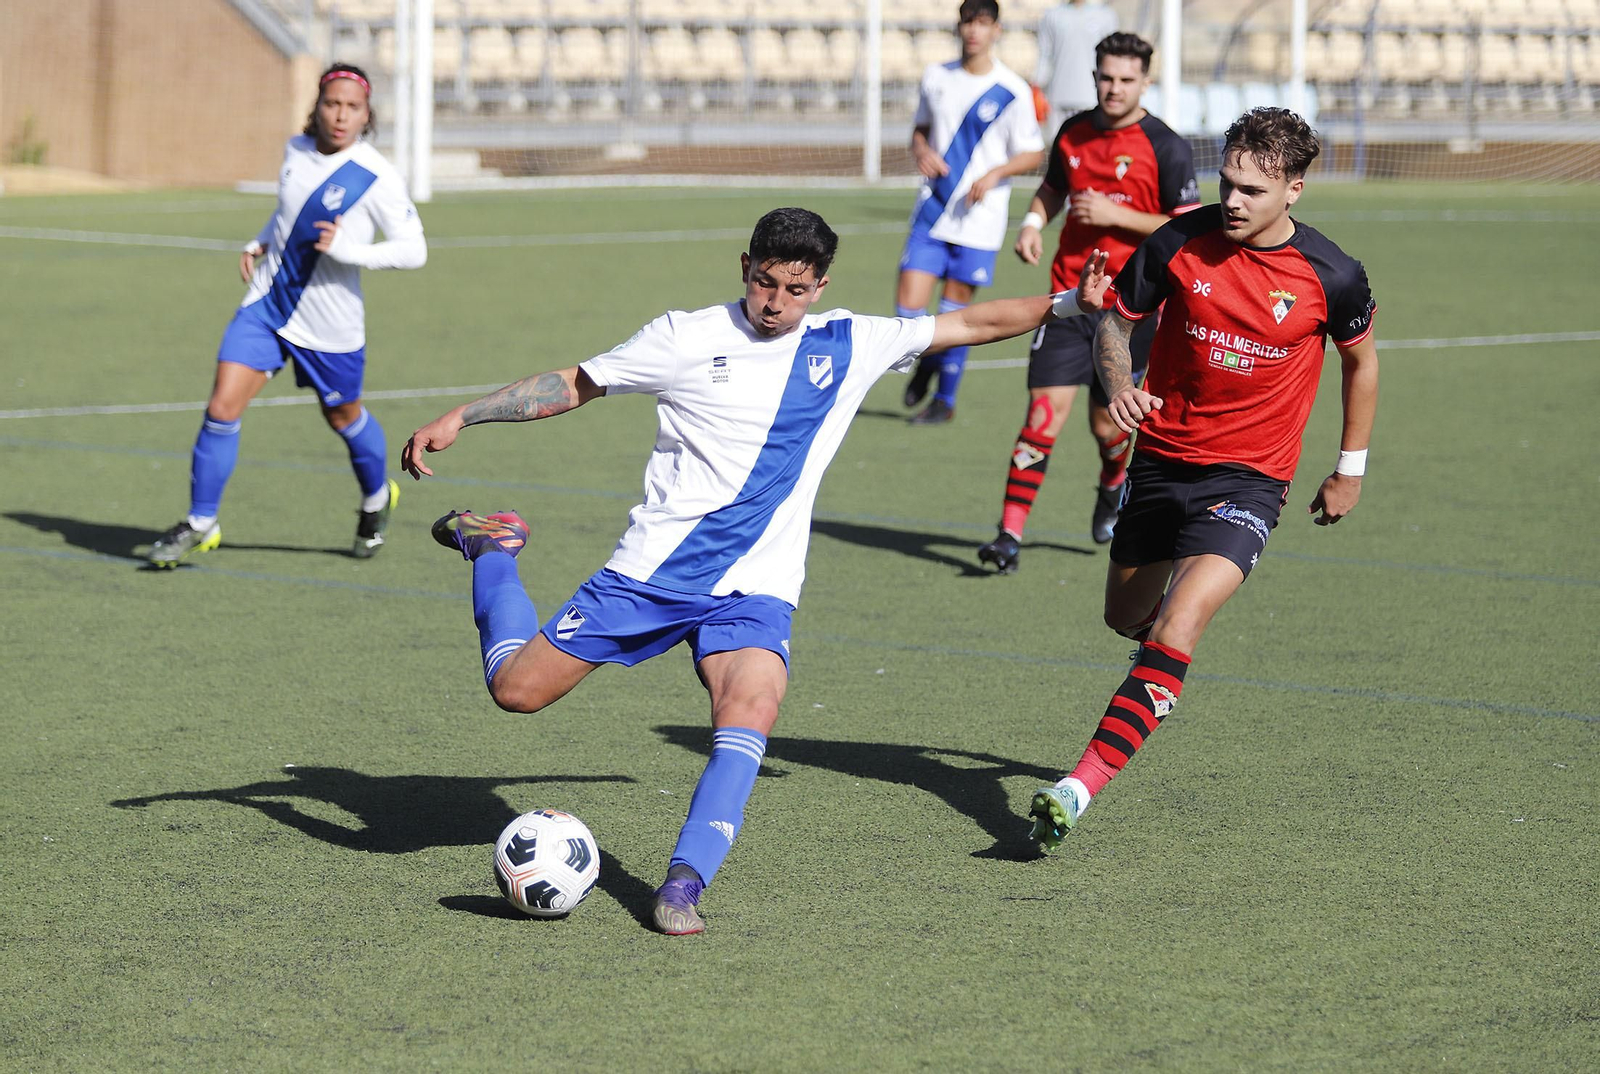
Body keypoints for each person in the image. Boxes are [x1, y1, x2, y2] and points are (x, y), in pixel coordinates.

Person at [401, 209, 1110, 933]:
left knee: (750, 710)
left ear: (820, 285)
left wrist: (1064, 305)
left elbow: (969, 324)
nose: (775, 303)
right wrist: (466, 415)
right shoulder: (684, 336)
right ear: (745, 268)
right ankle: (492, 548)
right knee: (516, 691)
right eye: (765, 283)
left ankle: (683, 884)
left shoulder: (849, 340)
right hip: (652, 575)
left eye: (795, 290)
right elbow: (573, 384)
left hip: (756, 588)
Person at [1026, 108, 1379, 849]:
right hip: (1160, 463)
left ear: (1295, 191)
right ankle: (1156, 670)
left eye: (1253, 188)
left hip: (1250, 480)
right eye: (1228, 182)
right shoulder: (1177, 239)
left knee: (1183, 623)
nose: (1234, 200)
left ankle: (1077, 787)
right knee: (1128, 619)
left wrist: (1349, 469)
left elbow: (1361, 362)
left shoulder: (1333, 275)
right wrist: (1120, 382)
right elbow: (1118, 322)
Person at [147, 62, 426, 568]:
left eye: (352, 108)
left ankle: (376, 499)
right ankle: (201, 522)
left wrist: (351, 251)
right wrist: (262, 237)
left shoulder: (376, 176)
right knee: (221, 408)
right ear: (316, 107)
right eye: (332, 104)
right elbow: (288, 211)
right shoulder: (294, 151)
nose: (340, 116)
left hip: (330, 325)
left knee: (343, 417)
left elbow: (414, 250)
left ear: (367, 116)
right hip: (267, 306)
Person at [978, 33, 1199, 573]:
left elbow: (1186, 227)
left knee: (1109, 429)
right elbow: (1054, 187)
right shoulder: (1073, 132)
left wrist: (1116, 216)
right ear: (1095, 75)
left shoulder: (1167, 146)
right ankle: (1008, 534)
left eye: (1126, 79)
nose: (1114, 88)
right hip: (1069, 301)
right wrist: (1033, 223)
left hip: (1131, 311)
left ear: (1145, 81)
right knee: (1041, 417)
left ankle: (1111, 481)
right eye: (1105, 77)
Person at [897, 0, 1045, 425]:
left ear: (996, 30)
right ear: (959, 27)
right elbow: (920, 129)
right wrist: (922, 150)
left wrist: (996, 172)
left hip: (979, 219)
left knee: (953, 313)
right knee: (908, 309)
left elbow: (1034, 151)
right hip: (933, 209)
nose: (974, 31)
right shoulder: (936, 77)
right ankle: (926, 360)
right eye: (968, 22)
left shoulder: (1012, 89)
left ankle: (944, 401)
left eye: (983, 23)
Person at [1033, 0, 1119, 136]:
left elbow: (1114, 56)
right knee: (1059, 146)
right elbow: (1045, 55)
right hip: (1058, 98)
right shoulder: (1052, 16)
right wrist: (1037, 87)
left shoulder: (1105, 15)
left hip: (1092, 98)